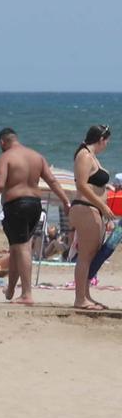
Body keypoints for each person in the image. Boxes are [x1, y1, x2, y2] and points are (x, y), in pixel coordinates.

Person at [0, 128, 74, 306]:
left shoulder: (5, 157)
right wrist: (66, 201)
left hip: (16, 206)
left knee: (22, 249)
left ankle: (27, 294)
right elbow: (52, 181)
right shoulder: (37, 156)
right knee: (16, 248)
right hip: (35, 205)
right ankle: (11, 289)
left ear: (2, 142)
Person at [68, 125, 113, 311]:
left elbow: (93, 182)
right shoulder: (84, 155)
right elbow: (82, 185)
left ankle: (85, 295)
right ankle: (79, 298)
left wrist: (106, 189)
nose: (107, 145)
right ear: (101, 139)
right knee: (85, 256)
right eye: (107, 141)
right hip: (86, 208)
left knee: (91, 254)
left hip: (93, 209)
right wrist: (102, 204)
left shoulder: (92, 156)